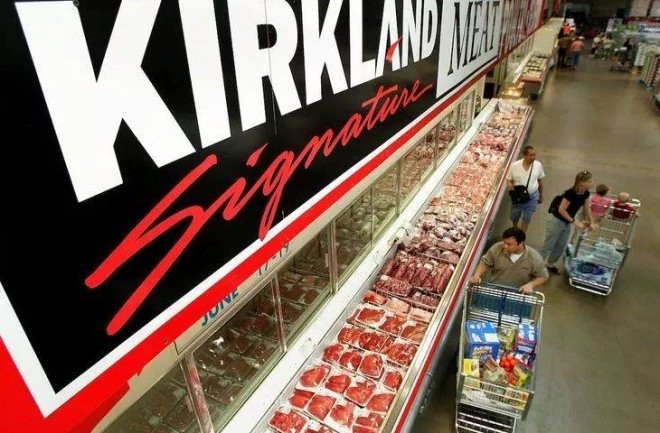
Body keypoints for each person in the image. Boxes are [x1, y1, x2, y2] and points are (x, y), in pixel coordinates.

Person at [540, 170, 597, 274]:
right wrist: (575, 221)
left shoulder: (586, 193)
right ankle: (536, 267)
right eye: (589, 181)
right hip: (557, 220)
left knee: (561, 245)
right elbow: (561, 210)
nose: (592, 183)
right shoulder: (570, 193)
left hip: (566, 222)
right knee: (549, 244)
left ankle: (550, 264)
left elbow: (587, 208)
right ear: (581, 182)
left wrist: (592, 221)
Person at [469, 227, 549, 294]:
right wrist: (477, 275)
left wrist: (531, 285)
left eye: (509, 244)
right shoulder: (497, 248)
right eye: (504, 242)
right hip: (494, 291)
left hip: (517, 296)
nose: (505, 246)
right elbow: (485, 262)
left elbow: (543, 276)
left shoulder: (534, 257)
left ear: (520, 243)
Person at [507, 146, 545, 232]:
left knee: (527, 218)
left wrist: (541, 195)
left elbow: (540, 180)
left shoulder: (538, 165)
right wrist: (510, 185)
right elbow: (509, 179)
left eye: (534, 155)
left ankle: (522, 235)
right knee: (514, 216)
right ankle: (515, 229)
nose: (533, 157)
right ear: (524, 155)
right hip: (518, 197)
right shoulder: (515, 166)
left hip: (532, 197)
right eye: (531, 155)